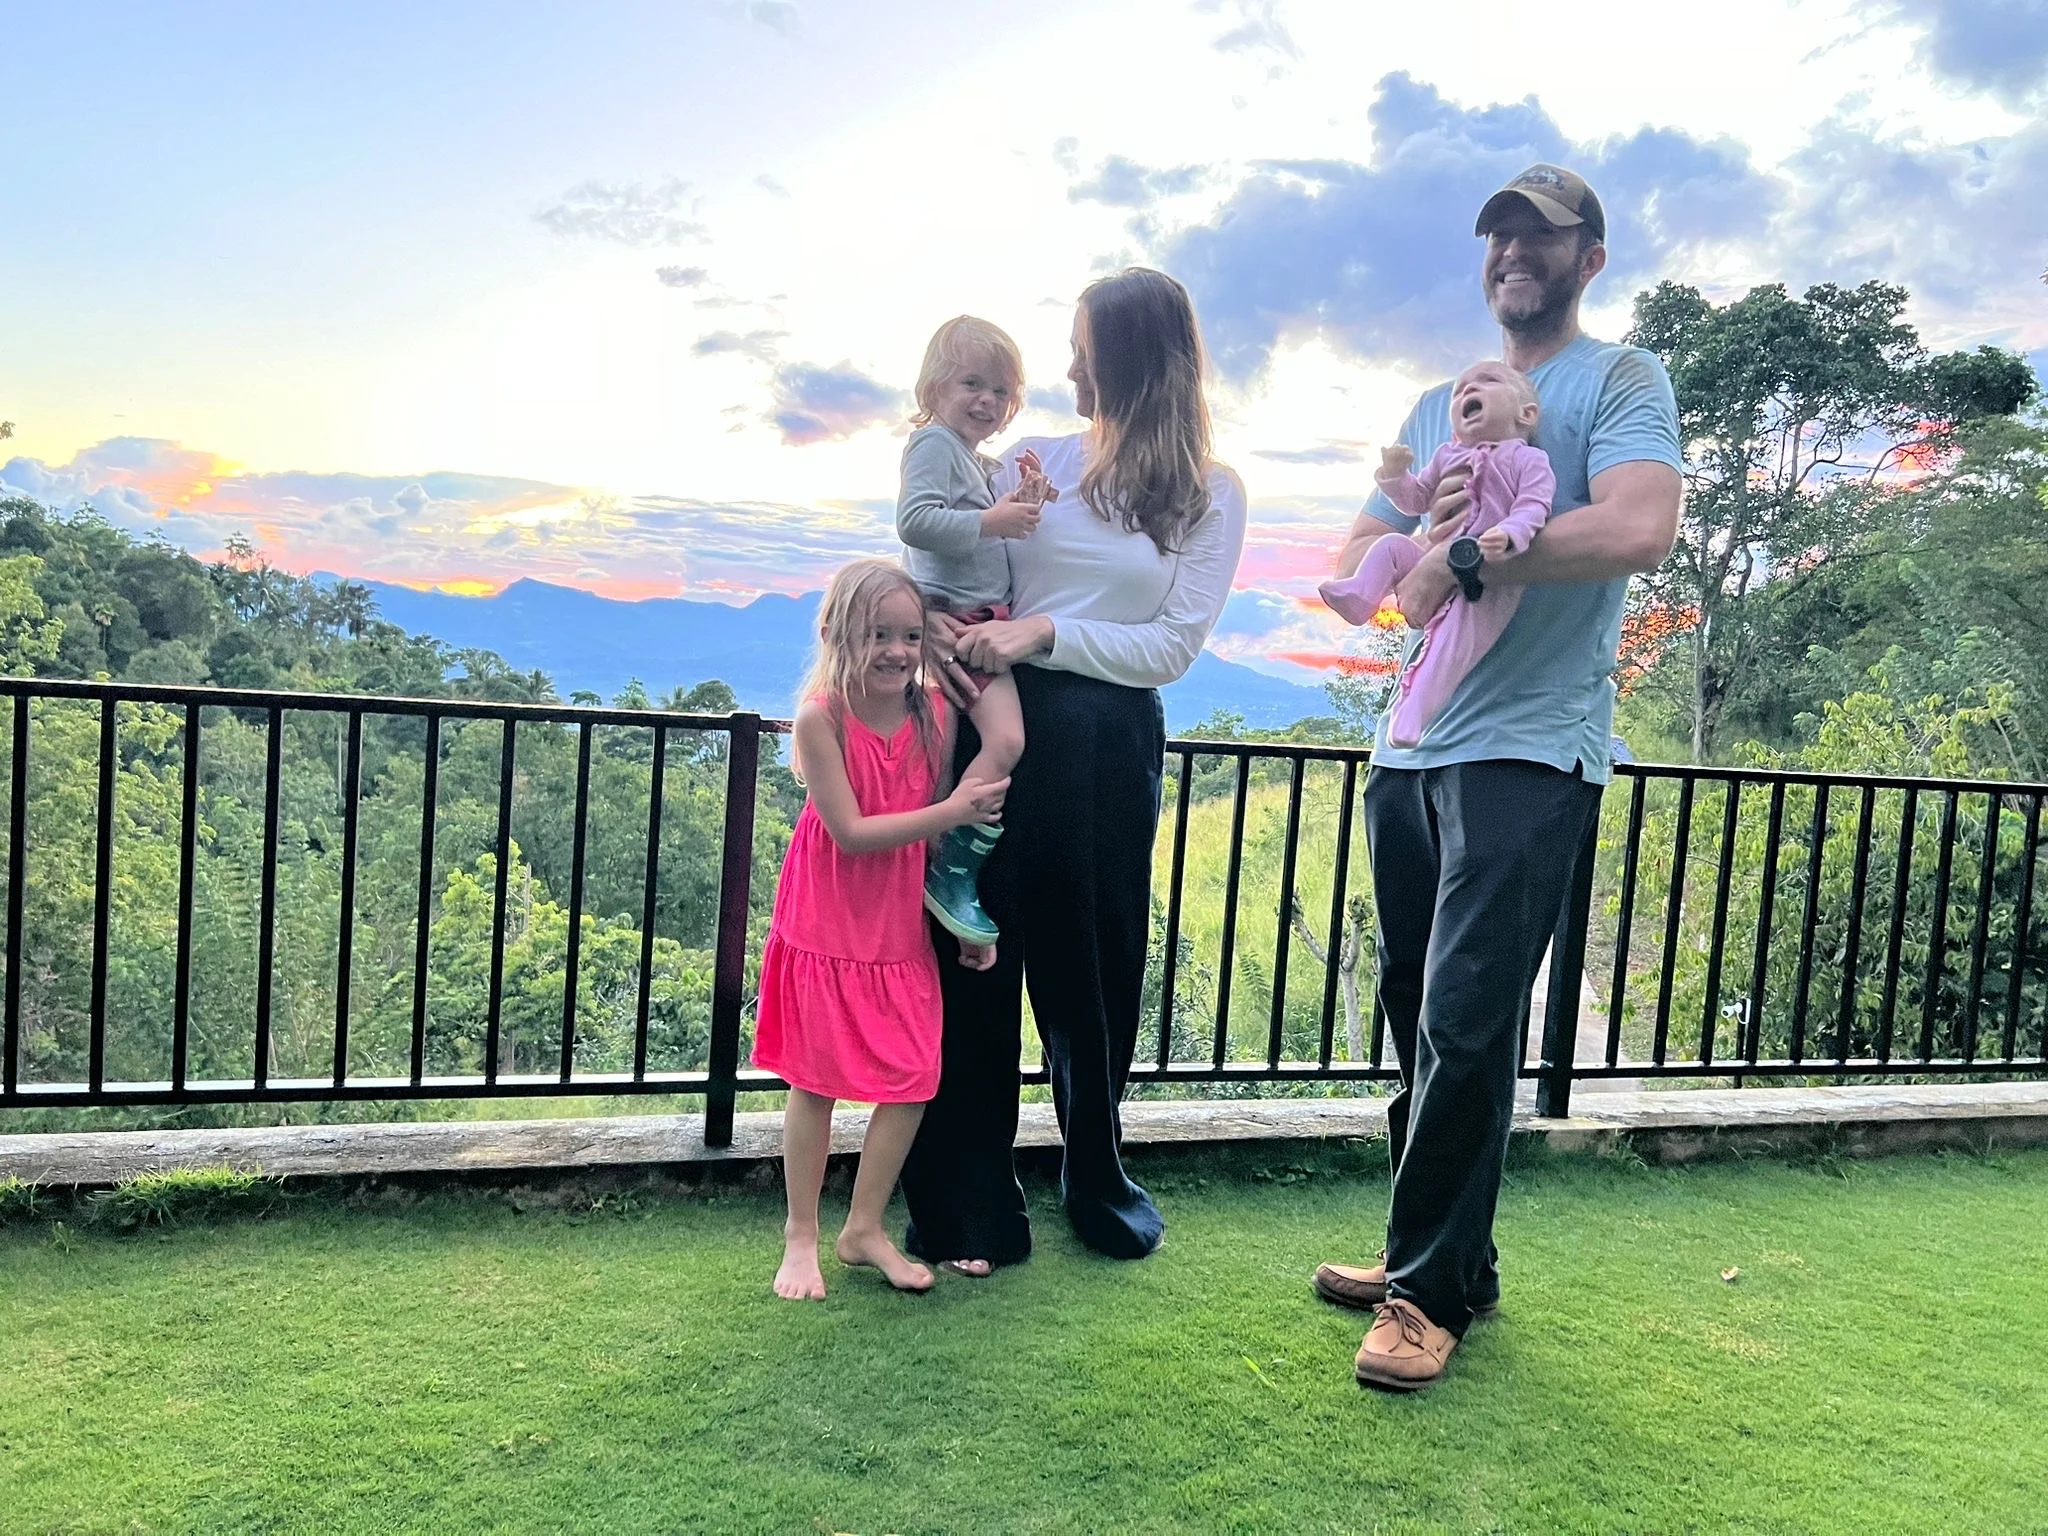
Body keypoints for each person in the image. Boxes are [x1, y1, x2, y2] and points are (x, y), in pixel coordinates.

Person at [1314, 164, 1682, 1390]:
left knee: (1466, 1024)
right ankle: (1442, 1260)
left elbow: (1636, 527)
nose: (1513, 254)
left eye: (1541, 237)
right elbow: (1360, 547)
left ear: (1588, 257)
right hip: (1409, 746)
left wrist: (1462, 558)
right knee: (1418, 1020)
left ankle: (1423, 1301)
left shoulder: (1617, 380)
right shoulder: (1440, 400)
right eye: (1498, 238)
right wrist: (1411, 546)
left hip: (1530, 745)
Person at [899, 267, 1247, 1274]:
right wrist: (928, 620)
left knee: (1089, 970)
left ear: (1132, 359)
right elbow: (959, 563)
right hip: (989, 725)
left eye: (1080, 349)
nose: (1062, 369)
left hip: (1100, 747)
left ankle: (1094, 1180)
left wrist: (1041, 634)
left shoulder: (1206, 492)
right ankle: (966, 1203)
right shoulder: (1033, 459)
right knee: (971, 956)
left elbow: (1171, 645)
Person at [756, 557, 1010, 1301]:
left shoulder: (933, 712)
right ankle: (800, 1234)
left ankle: (863, 1228)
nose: (897, 651)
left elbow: (929, 846)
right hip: (828, 913)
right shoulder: (819, 718)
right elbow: (854, 832)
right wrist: (955, 811)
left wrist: (962, 918)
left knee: (911, 1075)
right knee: (815, 1079)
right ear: (837, 633)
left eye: (908, 635)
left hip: (895, 920)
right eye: (878, 634)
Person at [895, 315, 1055, 946]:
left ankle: (934, 865)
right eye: (971, 384)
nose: (986, 400)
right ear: (934, 388)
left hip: (975, 625)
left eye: (999, 391)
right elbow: (915, 521)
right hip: (960, 627)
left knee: (941, 760)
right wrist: (995, 520)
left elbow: (984, 519)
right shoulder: (935, 444)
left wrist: (1028, 497)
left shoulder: (973, 460)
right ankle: (953, 867)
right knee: (1005, 742)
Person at [1319, 360, 1555, 747]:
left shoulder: (1527, 460)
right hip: (1434, 552)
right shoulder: (1447, 455)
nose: (1467, 391)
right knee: (1392, 545)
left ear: (1525, 414)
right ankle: (1361, 595)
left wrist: (1509, 535)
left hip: (1487, 579)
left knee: (1451, 646)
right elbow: (1415, 500)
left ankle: (1413, 713)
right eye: (1460, 390)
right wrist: (1396, 476)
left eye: (1487, 381)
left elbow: (1534, 507)